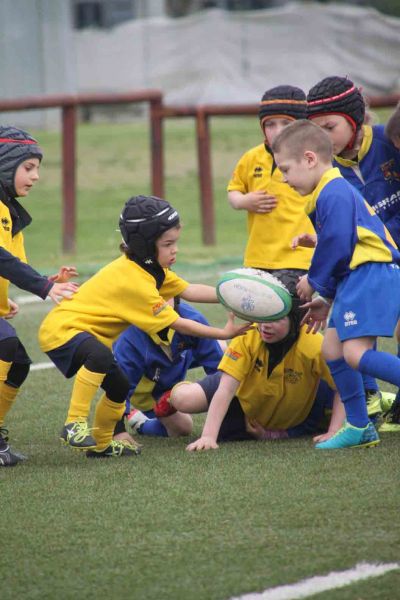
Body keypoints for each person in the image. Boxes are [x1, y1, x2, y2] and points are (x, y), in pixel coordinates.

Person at [38, 195, 250, 459]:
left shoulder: (150, 269)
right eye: (168, 244)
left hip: (82, 333)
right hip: (63, 329)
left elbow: (190, 289)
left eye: (176, 242)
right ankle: (74, 423)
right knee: (101, 357)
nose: (176, 250)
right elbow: (177, 322)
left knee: (118, 385)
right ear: (146, 245)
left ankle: (102, 444)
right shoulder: (136, 281)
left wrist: (234, 293)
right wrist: (224, 333)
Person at [272, 119, 400, 449]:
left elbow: (340, 244)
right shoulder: (328, 192)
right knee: (332, 350)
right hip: (356, 276)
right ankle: (359, 427)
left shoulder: (334, 190)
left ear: (310, 158)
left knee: (355, 354)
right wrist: (327, 295)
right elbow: (346, 240)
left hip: (368, 274)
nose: (284, 180)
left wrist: (315, 282)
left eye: (286, 169)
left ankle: (360, 424)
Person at [306, 76, 400, 428]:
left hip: (386, 261)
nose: (322, 137)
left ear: (355, 119)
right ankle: (369, 405)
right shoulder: (329, 175)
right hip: (374, 265)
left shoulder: (390, 142)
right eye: (316, 130)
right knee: (348, 337)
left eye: (329, 127)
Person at [0, 126, 78, 467]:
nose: (36, 176)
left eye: (37, 168)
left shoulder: (9, 212)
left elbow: (11, 265)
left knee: (16, 364)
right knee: (5, 346)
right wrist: (44, 288)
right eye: (28, 167)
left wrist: (44, 281)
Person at [166, 303, 344, 451]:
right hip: (241, 389)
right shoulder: (248, 337)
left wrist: (334, 430)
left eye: (276, 319)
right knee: (183, 399)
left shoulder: (314, 345)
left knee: (234, 433)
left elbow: (344, 388)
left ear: (296, 321)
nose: (266, 325)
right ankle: (174, 393)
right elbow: (226, 390)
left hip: (270, 412)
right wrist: (208, 437)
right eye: (264, 317)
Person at [227, 85, 315, 296]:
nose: (278, 131)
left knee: (291, 322)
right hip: (258, 258)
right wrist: (243, 201)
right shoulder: (252, 158)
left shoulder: (312, 158)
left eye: (286, 123)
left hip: (299, 257)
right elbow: (234, 192)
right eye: (270, 124)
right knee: (261, 321)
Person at [112, 298, 224, 439]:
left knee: (223, 348)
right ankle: (141, 423)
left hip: (176, 360)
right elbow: (120, 389)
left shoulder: (190, 317)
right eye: (153, 295)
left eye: (167, 293)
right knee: (183, 427)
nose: (160, 302)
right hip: (149, 387)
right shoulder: (129, 338)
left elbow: (217, 368)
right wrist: (118, 430)